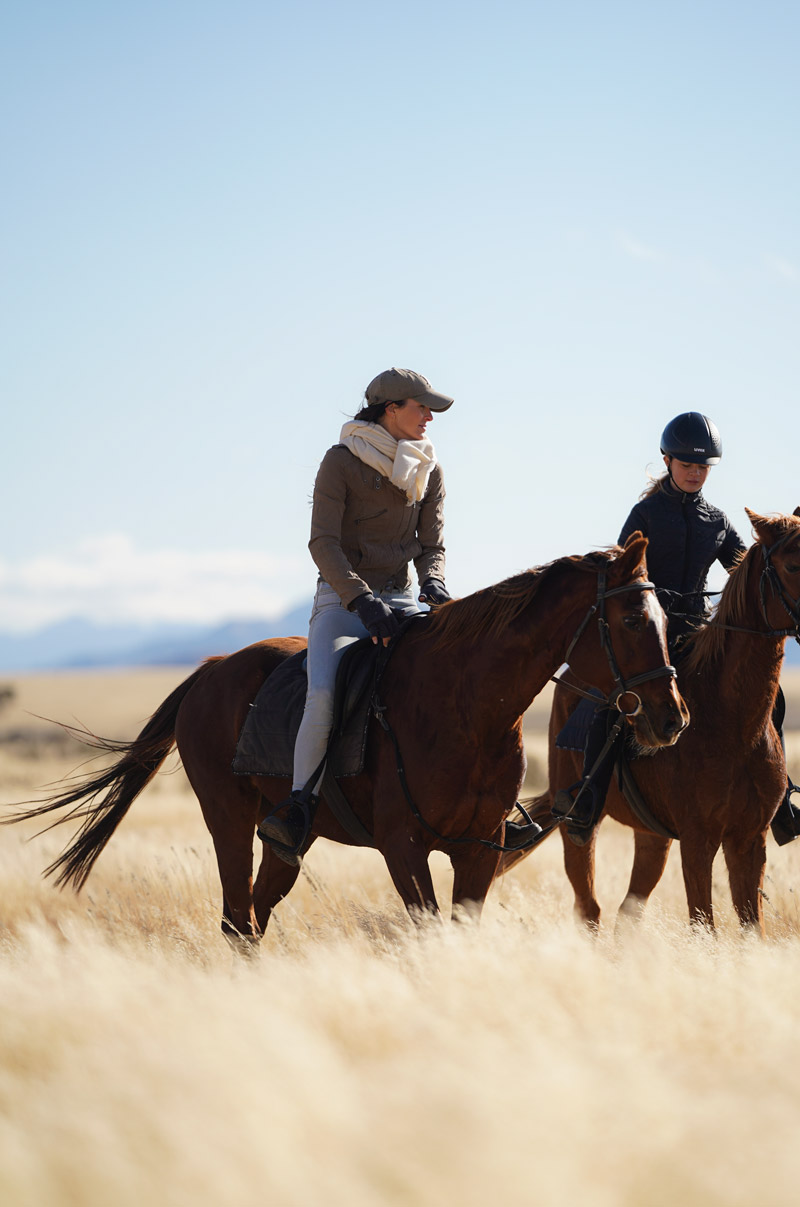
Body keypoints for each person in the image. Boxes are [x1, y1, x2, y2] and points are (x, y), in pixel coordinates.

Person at [552, 411, 800, 847]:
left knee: (770, 696)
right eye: (687, 464)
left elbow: (747, 569)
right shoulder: (644, 513)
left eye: (703, 466)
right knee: (612, 704)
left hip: (701, 635)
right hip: (651, 635)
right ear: (667, 461)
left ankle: (778, 800)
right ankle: (588, 796)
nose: (695, 472)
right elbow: (625, 574)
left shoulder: (718, 521)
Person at [256, 367, 456, 864]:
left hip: (405, 601)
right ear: (391, 409)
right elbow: (322, 543)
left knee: (455, 678)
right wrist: (361, 601)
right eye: (420, 406)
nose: (429, 416)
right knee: (322, 694)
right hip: (343, 604)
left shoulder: (430, 468)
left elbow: (433, 545)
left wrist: (434, 582)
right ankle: (300, 804)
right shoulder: (339, 462)